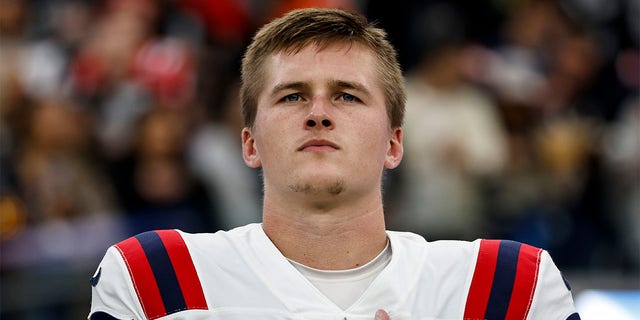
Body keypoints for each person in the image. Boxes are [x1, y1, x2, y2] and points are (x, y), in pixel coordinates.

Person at [88, 8, 580, 320]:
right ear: (249, 144)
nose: (318, 112)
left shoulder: (510, 286)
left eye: (347, 95)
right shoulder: (154, 279)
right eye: (291, 96)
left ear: (394, 144)